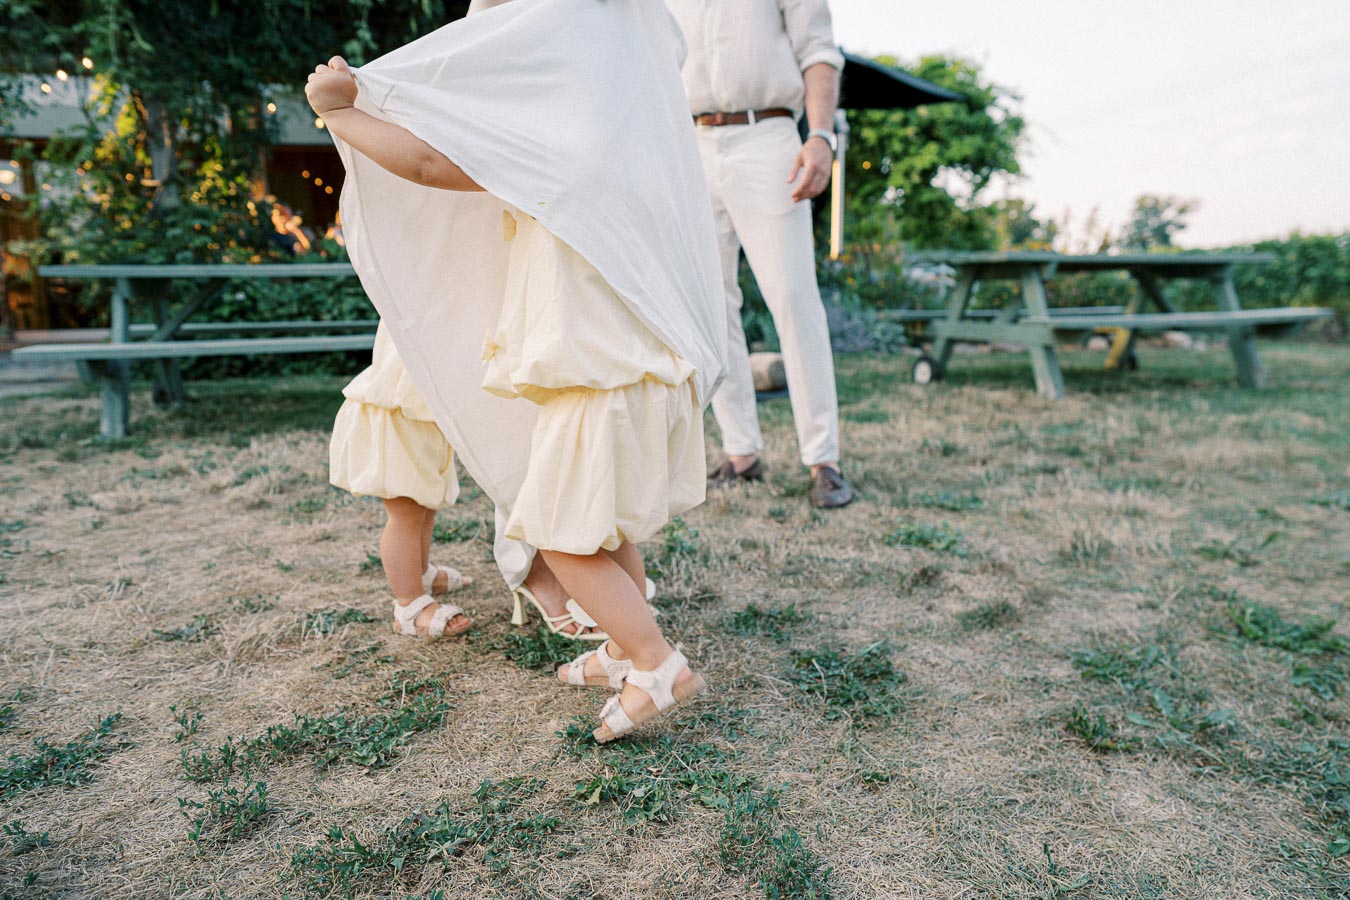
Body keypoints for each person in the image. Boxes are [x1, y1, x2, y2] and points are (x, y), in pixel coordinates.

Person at [306, 0, 725, 741]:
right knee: (602, 529)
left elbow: (429, 162)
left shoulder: (551, 148)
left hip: (597, 376)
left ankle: (659, 663)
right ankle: (620, 646)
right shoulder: (620, 135)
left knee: (560, 538)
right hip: (625, 372)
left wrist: (338, 114)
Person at [666, 0, 855, 509]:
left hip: (769, 137)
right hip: (690, 143)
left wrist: (819, 137)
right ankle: (741, 452)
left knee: (793, 297)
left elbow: (819, 51)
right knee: (711, 304)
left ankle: (824, 460)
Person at [330, 322, 475, 638]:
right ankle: (409, 604)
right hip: (398, 414)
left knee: (425, 506)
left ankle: (420, 573)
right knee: (406, 514)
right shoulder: (415, 290)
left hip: (424, 418)